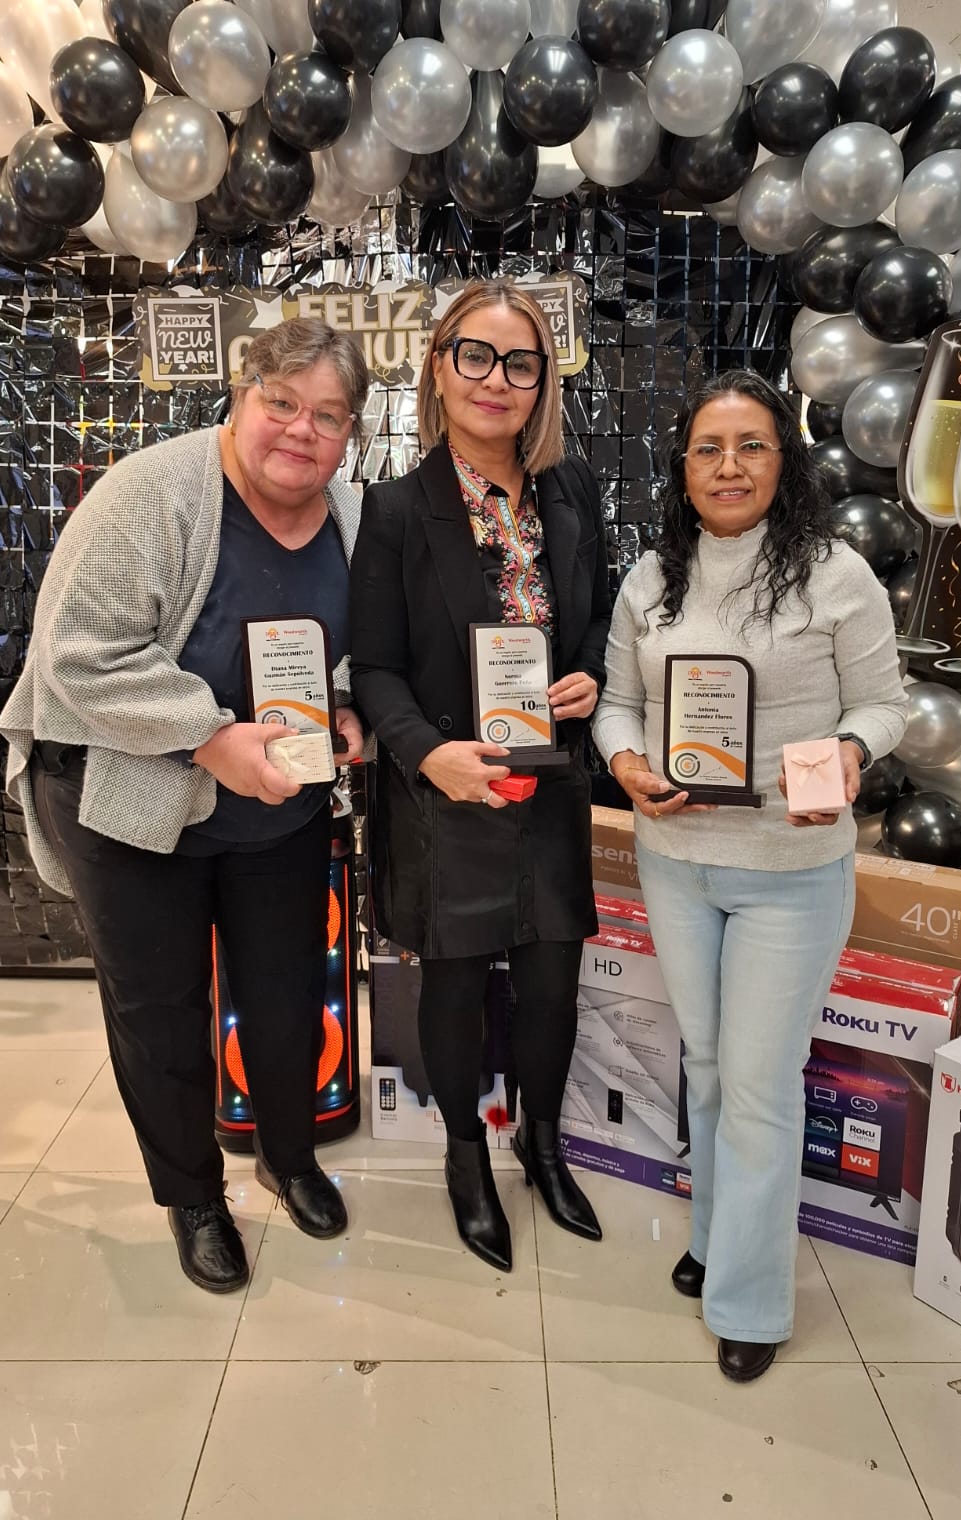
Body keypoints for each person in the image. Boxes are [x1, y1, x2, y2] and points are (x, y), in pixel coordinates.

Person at [0, 317, 368, 1295]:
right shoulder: (149, 494)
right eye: (281, 402)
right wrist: (209, 736)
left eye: (329, 415)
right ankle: (194, 1198)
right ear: (240, 400)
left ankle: (289, 1156)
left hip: (278, 803)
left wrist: (347, 708)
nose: (302, 430)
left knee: (286, 992)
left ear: (351, 433)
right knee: (158, 1010)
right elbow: (78, 657)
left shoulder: (352, 514)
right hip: (130, 799)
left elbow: (355, 645)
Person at [593, 369, 907, 1381]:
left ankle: (750, 1302)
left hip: (791, 871)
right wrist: (626, 762)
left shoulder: (835, 574)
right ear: (683, 469)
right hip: (677, 863)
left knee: (762, 1085)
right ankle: (717, 1236)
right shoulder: (652, 580)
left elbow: (884, 704)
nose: (729, 467)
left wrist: (850, 753)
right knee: (708, 1065)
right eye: (708, 449)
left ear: (785, 460)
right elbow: (616, 703)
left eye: (752, 446)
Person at [349, 279, 612, 1273]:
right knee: (455, 987)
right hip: (447, 790)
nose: (496, 380)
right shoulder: (395, 508)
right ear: (439, 366)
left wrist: (591, 672)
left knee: (552, 984)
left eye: (520, 363)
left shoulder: (571, 490)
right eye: (476, 355)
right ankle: (467, 1156)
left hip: (550, 780)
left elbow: (599, 614)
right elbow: (374, 666)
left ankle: (542, 1145)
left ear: (543, 382)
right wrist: (427, 754)